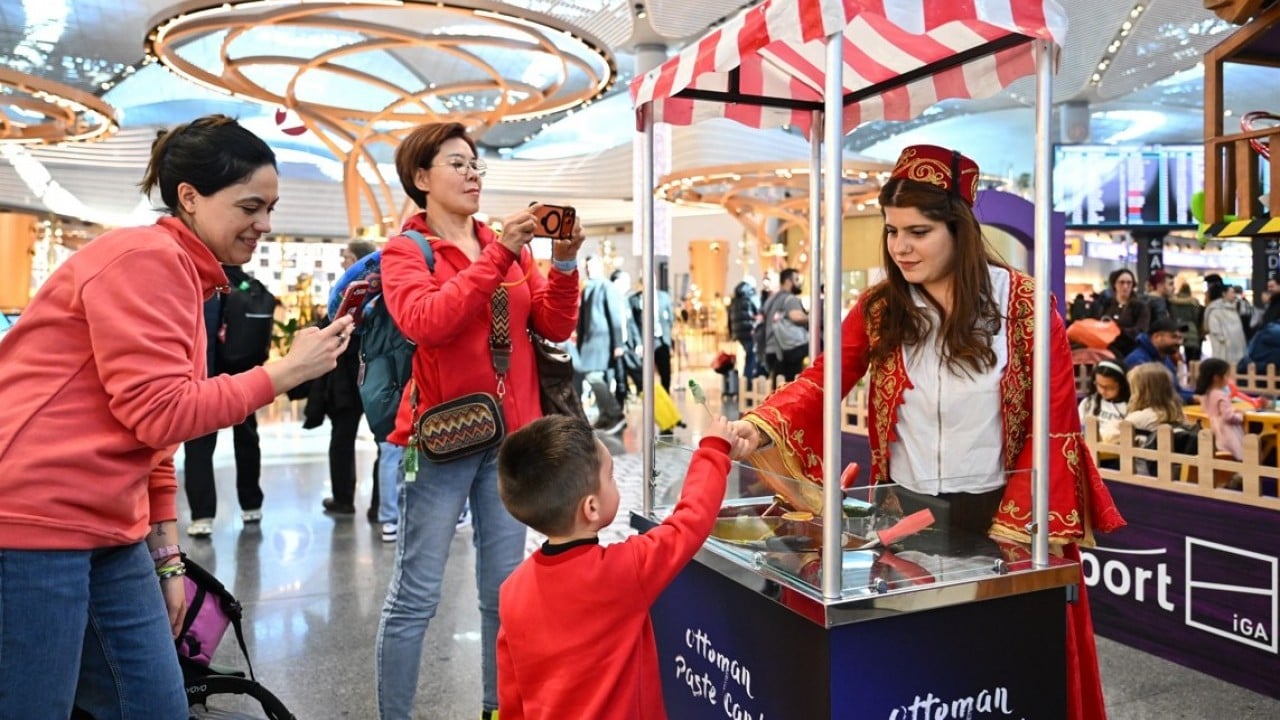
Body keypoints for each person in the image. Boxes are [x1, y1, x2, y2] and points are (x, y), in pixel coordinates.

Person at [724, 144, 1123, 720]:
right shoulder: (881, 310)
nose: (900, 247)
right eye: (891, 231)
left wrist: (1015, 535)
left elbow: (1053, 425)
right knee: (920, 684)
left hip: (1001, 522)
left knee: (998, 678)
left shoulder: (1029, 310)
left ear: (959, 229)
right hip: (906, 521)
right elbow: (822, 379)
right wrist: (760, 427)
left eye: (918, 231)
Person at [0, 114, 351, 718]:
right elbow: (161, 414)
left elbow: (152, 439)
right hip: (35, 519)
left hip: (110, 527)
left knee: (158, 704)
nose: (264, 224)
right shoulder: (145, 259)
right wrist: (283, 373)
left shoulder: (190, 276)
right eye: (249, 207)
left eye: (269, 207)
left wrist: (164, 554)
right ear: (189, 197)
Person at [374, 121, 583, 720]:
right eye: (457, 164)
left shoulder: (501, 246)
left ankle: (498, 709)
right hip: (440, 441)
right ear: (421, 178)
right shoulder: (406, 251)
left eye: (476, 166)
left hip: (513, 442)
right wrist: (498, 255)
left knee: (504, 594)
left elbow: (552, 326)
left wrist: (563, 266)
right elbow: (427, 320)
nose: (472, 174)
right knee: (415, 595)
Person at [494, 413, 732, 719]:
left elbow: (511, 693)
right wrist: (713, 449)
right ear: (591, 507)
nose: (614, 481)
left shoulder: (512, 591)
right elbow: (688, 524)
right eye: (611, 476)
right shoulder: (623, 571)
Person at [183, 263, 274, 537]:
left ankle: (202, 515)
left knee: (199, 445)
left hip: (209, 376)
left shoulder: (206, 288)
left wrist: (198, 379)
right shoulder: (246, 283)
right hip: (242, 376)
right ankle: (252, 504)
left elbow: (206, 337)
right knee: (247, 439)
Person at [305, 239, 379, 516]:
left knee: (342, 439)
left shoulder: (346, 294)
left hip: (347, 378)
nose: (343, 263)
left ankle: (344, 499)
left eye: (347, 257)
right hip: (376, 375)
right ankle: (379, 505)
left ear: (360, 261)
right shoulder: (383, 295)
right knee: (383, 440)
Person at [577, 256, 628, 433]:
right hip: (589, 343)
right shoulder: (587, 288)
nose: (589, 269)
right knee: (592, 377)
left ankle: (615, 413)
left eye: (592, 266)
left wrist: (618, 343)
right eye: (587, 266)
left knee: (594, 377)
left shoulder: (607, 287)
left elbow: (615, 317)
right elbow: (582, 320)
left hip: (601, 342)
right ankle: (606, 415)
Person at [1122, 316, 1193, 402]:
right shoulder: (1138, 361)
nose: (1179, 342)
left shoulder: (1165, 358)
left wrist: (1199, 394)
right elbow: (1154, 397)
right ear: (1156, 337)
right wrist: (1191, 398)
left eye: (1180, 338)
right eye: (1174, 337)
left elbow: (1176, 390)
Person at [761, 267, 809, 384]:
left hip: (770, 349)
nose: (799, 283)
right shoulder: (790, 299)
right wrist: (813, 318)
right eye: (796, 279)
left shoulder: (771, 299)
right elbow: (795, 316)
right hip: (786, 351)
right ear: (788, 281)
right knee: (790, 386)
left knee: (778, 387)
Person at [1092, 268, 1150, 357]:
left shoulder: (1140, 306)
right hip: (1106, 349)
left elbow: (1141, 330)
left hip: (1130, 350)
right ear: (1114, 284)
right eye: (1121, 282)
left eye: (1129, 283)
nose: (1125, 286)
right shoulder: (1106, 304)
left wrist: (1117, 330)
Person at [1197, 357, 1245, 461]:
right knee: (1237, 455)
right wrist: (1240, 416)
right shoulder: (1221, 395)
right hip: (1226, 431)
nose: (1229, 379)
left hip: (1213, 427)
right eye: (1227, 375)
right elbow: (1228, 416)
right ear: (1216, 378)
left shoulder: (1205, 394)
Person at [1078, 360, 1130, 446]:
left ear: (1122, 385)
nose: (1102, 391)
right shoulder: (1089, 403)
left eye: (1109, 387)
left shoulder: (1128, 407)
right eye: (1099, 385)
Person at [1204, 282, 1247, 365]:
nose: (1234, 295)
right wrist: (1225, 340)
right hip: (1223, 352)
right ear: (1224, 294)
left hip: (1237, 350)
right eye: (1232, 292)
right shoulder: (1215, 310)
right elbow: (1215, 330)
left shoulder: (1234, 309)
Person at [729, 278, 762, 380]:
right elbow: (760, 310)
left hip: (739, 333)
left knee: (749, 355)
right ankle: (748, 382)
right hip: (750, 331)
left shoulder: (735, 299)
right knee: (751, 357)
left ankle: (745, 382)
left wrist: (732, 333)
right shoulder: (751, 296)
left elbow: (729, 319)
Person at [1168, 282, 1203, 361]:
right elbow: (1195, 317)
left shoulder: (1173, 302)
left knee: (1174, 351)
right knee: (1191, 355)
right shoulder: (1193, 302)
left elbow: (1171, 314)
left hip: (1176, 326)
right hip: (1190, 329)